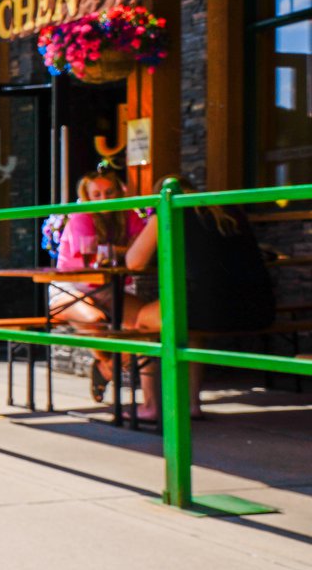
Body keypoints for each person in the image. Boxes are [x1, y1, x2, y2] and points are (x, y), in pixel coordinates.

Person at [123, 176, 274, 421]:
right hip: (259, 309)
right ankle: (191, 404)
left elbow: (134, 261)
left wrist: (154, 217)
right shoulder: (227, 210)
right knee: (191, 329)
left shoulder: (170, 206)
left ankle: (150, 406)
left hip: (208, 309)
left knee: (142, 323)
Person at [51, 169, 146, 400]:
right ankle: (106, 365)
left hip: (108, 287)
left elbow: (142, 244)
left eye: (109, 192)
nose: (104, 198)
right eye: (97, 194)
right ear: (88, 197)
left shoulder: (129, 215)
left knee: (145, 326)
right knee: (94, 321)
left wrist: (117, 251)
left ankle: (106, 368)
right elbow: (92, 255)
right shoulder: (81, 216)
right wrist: (126, 250)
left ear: (118, 192)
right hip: (70, 288)